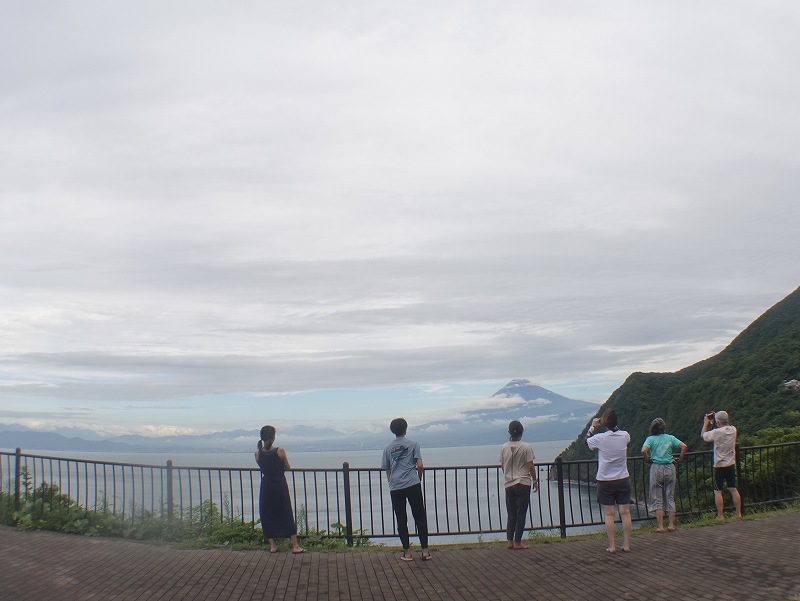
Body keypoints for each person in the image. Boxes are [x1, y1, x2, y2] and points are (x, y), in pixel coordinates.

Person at [381, 418, 431, 562]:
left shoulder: (387, 448)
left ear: (393, 431)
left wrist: (391, 483)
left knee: (401, 519)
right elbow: (420, 465)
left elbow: (387, 468)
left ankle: (407, 553)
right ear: (406, 429)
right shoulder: (414, 444)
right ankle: (425, 552)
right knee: (420, 517)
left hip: (396, 487)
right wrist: (418, 478)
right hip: (412, 484)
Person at [586, 408, 632, 553]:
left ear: (604, 423)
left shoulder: (600, 438)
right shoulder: (625, 435)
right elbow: (622, 435)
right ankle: (626, 544)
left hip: (605, 481)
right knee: (625, 512)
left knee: (609, 514)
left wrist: (593, 426)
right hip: (623, 478)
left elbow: (586, 441)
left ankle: (612, 546)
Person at [255, 425, 305, 554]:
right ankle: (294, 545)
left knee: (266, 512)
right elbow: (287, 467)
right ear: (273, 437)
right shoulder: (279, 451)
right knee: (285, 511)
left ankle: (272, 545)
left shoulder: (257, 453)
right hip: (279, 483)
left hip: (266, 485)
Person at [641, 418, 687, 532]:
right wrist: (680, 458)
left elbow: (643, 450)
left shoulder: (650, 439)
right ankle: (671, 525)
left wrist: (647, 459)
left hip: (656, 468)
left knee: (657, 498)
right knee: (670, 496)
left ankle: (661, 526)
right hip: (670, 467)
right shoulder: (670, 438)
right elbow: (684, 446)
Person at [499, 420, 539, 549]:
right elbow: (531, 466)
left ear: (509, 432)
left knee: (511, 514)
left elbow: (502, 465)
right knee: (521, 513)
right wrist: (535, 480)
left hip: (508, 484)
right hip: (523, 482)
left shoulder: (504, 447)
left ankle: (510, 541)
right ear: (522, 432)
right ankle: (518, 542)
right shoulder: (526, 447)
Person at [701, 410, 743, 522]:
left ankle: (721, 515)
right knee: (733, 489)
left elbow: (704, 436)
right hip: (731, 464)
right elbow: (722, 427)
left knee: (718, 491)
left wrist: (706, 423)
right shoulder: (733, 430)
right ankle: (738, 514)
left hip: (719, 466)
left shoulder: (717, 432)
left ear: (718, 422)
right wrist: (716, 420)